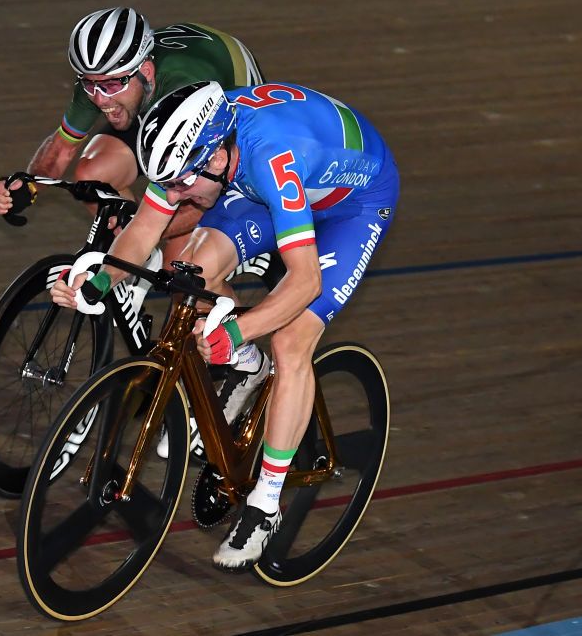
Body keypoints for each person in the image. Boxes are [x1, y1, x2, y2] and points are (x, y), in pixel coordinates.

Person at [50, 80, 400, 570]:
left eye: (180, 184)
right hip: (268, 185)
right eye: (167, 183)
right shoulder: (191, 143)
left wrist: (238, 329)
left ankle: (265, 503)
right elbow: (146, 228)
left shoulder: (270, 159)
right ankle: (246, 367)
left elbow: (305, 283)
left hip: (353, 203)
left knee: (291, 338)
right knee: (188, 268)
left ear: (214, 160)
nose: (175, 197)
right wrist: (99, 280)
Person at [0, 6, 264, 265]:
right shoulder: (103, 78)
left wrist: (140, 232)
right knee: (94, 173)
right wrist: (29, 184)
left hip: (219, 104)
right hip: (152, 99)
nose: (99, 99)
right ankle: (138, 263)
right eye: (89, 84)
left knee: (182, 264)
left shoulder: (187, 85)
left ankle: (144, 259)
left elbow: (205, 194)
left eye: (109, 85)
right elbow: (63, 148)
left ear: (145, 72)